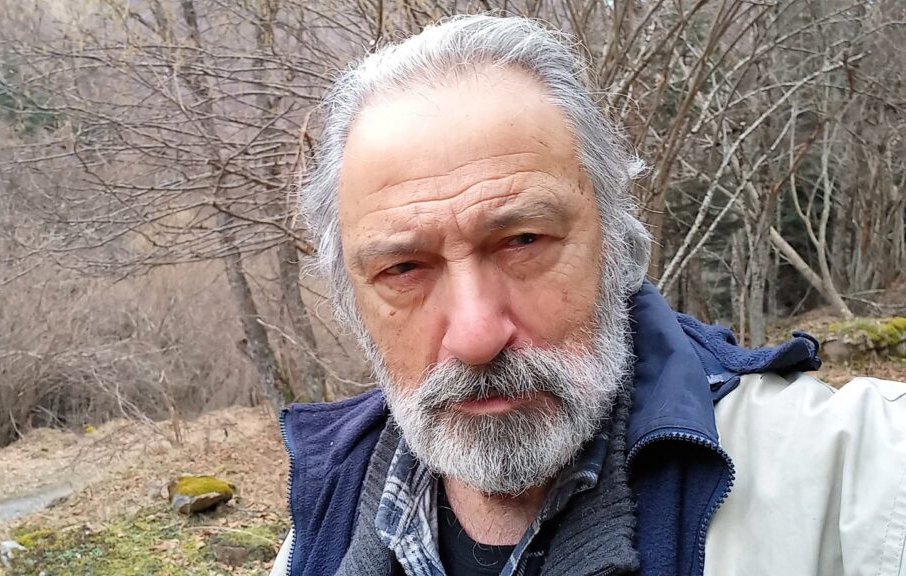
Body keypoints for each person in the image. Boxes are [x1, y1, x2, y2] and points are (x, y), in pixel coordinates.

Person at [270, 14, 906, 576]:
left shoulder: (849, 478)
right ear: (354, 301)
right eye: (405, 267)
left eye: (523, 240)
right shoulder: (324, 509)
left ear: (616, 241)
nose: (476, 336)